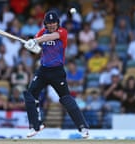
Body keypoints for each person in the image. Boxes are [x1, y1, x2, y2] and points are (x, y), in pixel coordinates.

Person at [23, 10, 89, 138]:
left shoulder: (62, 32)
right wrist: (30, 46)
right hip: (43, 70)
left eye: (54, 23)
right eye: (49, 23)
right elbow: (37, 49)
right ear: (45, 24)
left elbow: (48, 38)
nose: (52, 25)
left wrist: (35, 41)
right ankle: (35, 125)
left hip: (57, 71)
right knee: (30, 95)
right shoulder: (42, 32)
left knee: (66, 99)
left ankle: (83, 127)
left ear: (58, 23)